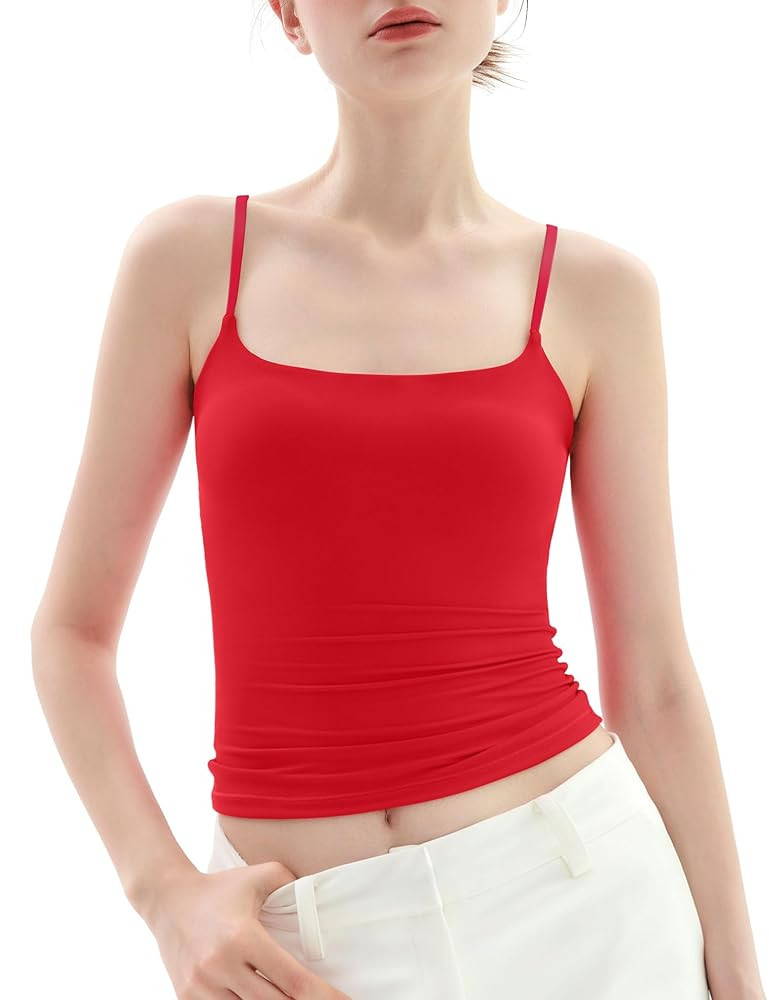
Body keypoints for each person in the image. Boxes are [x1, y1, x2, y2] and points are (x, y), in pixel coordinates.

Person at [30, 2, 765, 999]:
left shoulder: (596, 292)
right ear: (289, 15)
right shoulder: (193, 260)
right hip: (296, 942)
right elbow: (72, 634)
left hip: (580, 899)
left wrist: (737, 976)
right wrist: (164, 893)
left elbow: (655, 680)